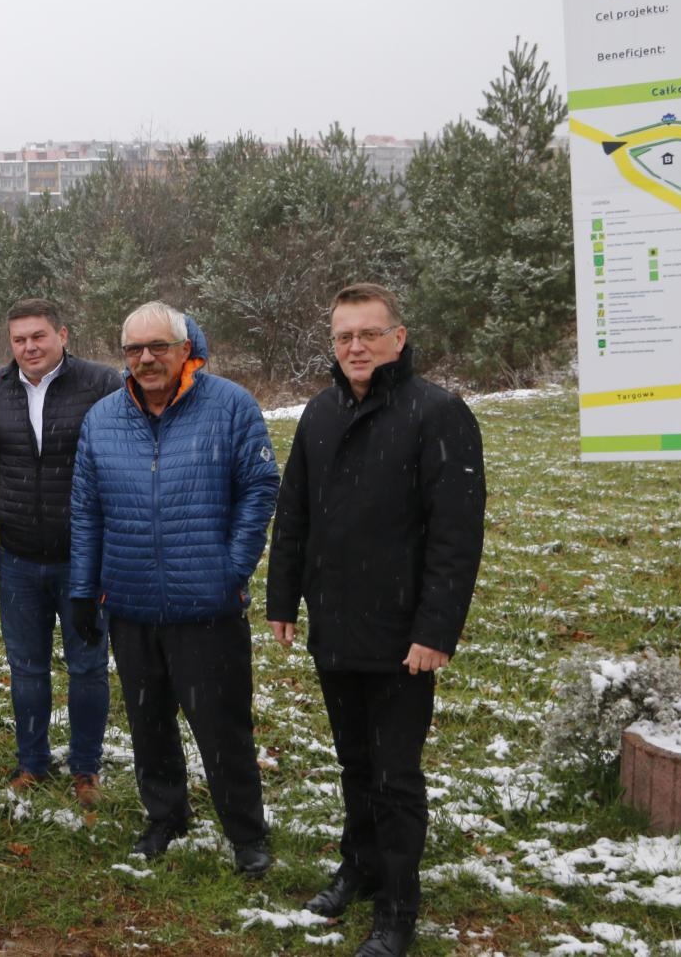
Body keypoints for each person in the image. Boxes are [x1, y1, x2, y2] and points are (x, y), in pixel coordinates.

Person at [266, 283, 485, 957]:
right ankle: (358, 867)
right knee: (354, 762)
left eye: (368, 334)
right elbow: (294, 510)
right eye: (344, 337)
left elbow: (456, 535)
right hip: (335, 622)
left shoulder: (438, 413)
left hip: (401, 635)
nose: (355, 347)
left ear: (399, 338)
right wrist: (283, 599)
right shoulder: (320, 412)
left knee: (395, 776)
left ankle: (397, 908)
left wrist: (435, 631)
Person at [70, 302, 278, 877]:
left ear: (186, 349)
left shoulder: (230, 406)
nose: (146, 359)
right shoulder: (103, 419)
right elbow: (86, 509)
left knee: (221, 726)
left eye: (158, 346)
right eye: (134, 349)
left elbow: (260, 487)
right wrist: (84, 589)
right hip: (131, 601)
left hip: (206, 605)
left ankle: (245, 832)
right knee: (149, 722)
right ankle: (165, 815)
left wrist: (231, 568)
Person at [0, 299, 120, 805]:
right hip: (19, 558)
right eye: (19, 339)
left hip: (84, 558)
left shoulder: (101, 384)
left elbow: (125, 462)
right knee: (27, 667)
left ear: (62, 335)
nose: (29, 347)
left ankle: (86, 768)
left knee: (87, 665)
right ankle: (32, 762)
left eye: (38, 336)